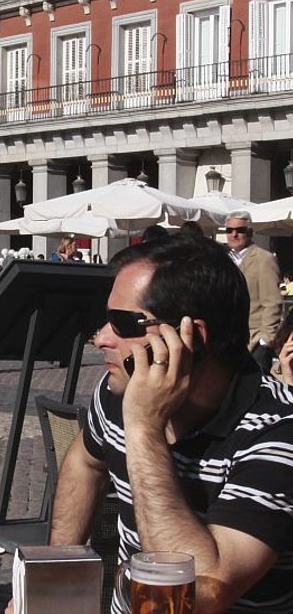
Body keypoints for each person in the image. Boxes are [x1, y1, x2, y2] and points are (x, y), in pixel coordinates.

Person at [42, 235, 293, 614]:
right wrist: (57, 583)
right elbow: (84, 462)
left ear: (191, 339)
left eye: (124, 323)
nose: (102, 338)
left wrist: (144, 429)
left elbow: (202, 592)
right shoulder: (119, 390)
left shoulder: (278, 431)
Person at [224, 211, 282, 372]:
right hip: (227, 339)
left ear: (250, 232)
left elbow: (273, 301)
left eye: (240, 230)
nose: (234, 235)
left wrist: (265, 340)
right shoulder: (223, 259)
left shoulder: (264, 259)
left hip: (254, 340)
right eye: (229, 230)